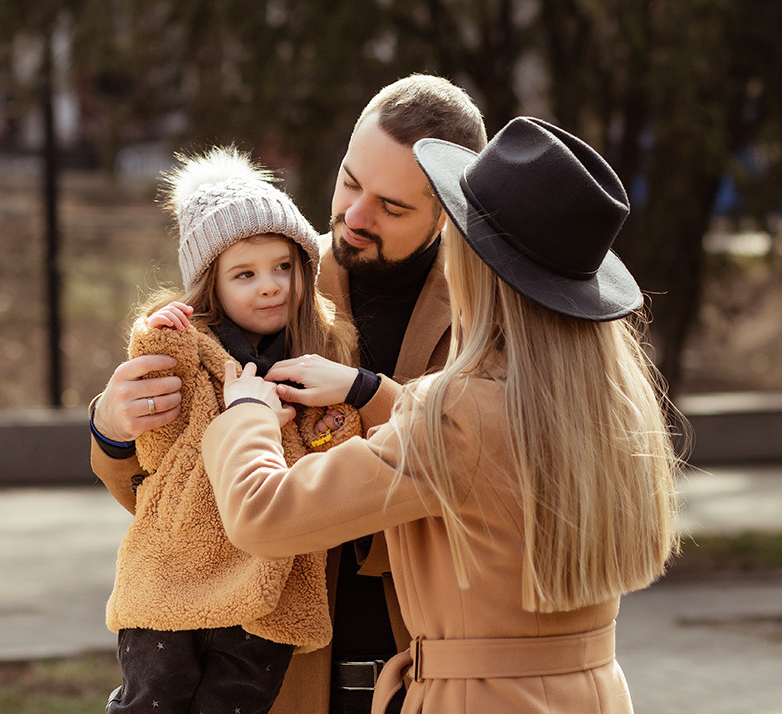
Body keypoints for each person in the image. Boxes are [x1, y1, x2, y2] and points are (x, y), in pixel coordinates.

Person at [202, 116, 682, 712]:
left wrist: (245, 414)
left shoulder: (460, 410)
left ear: (478, 267)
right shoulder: (611, 396)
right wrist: (370, 393)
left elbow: (262, 514)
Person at [90, 74, 488, 713]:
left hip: (424, 664)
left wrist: (370, 395)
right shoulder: (273, 268)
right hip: (282, 668)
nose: (354, 217)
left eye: (391, 206)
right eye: (350, 181)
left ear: (448, 210)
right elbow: (171, 485)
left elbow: (489, 460)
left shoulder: (490, 311)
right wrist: (112, 427)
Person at [100, 146, 361, 714]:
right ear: (210, 285)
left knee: (236, 701)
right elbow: (156, 431)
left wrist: (334, 419)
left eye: (283, 268)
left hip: (267, 578)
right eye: (244, 274)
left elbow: (335, 450)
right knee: (155, 695)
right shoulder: (194, 351)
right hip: (175, 563)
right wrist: (159, 332)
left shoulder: (319, 350)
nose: (269, 286)